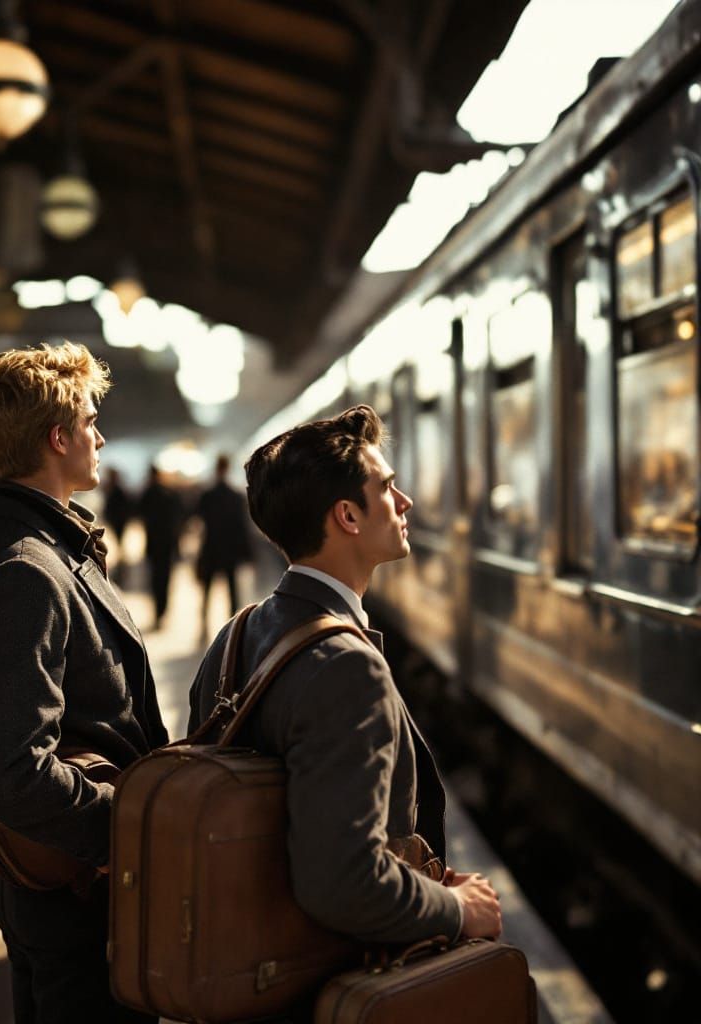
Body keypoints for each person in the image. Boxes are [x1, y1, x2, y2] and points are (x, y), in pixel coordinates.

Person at [188, 405, 501, 1017]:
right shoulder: (345, 667)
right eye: (386, 487)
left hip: (253, 971)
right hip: (325, 986)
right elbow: (343, 882)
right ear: (348, 517)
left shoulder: (236, 635)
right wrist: (458, 909)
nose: (404, 501)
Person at [0, 342, 168, 1024]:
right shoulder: (29, 572)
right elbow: (10, 771)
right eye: (88, 421)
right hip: (81, 903)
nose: (100, 436)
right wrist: (126, 832)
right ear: (58, 438)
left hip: (45, 892)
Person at [195, 453, 253, 640]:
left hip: (211, 548)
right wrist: (247, 553)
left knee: (207, 591)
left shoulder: (207, 495)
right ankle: (233, 631)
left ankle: (203, 628)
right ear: (227, 468)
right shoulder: (235, 496)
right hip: (229, 551)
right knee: (232, 591)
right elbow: (242, 527)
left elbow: (198, 522)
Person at [137, 464, 183, 629]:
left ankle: (158, 613)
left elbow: (138, 513)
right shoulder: (169, 493)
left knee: (155, 580)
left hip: (154, 545)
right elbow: (178, 520)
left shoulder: (148, 494)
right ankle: (163, 611)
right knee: (165, 580)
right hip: (168, 545)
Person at [102, 466, 135, 585]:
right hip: (118, 522)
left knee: (121, 548)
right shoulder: (116, 489)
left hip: (119, 522)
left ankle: (122, 572)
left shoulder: (117, 490)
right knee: (120, 547)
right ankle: (122, 572)